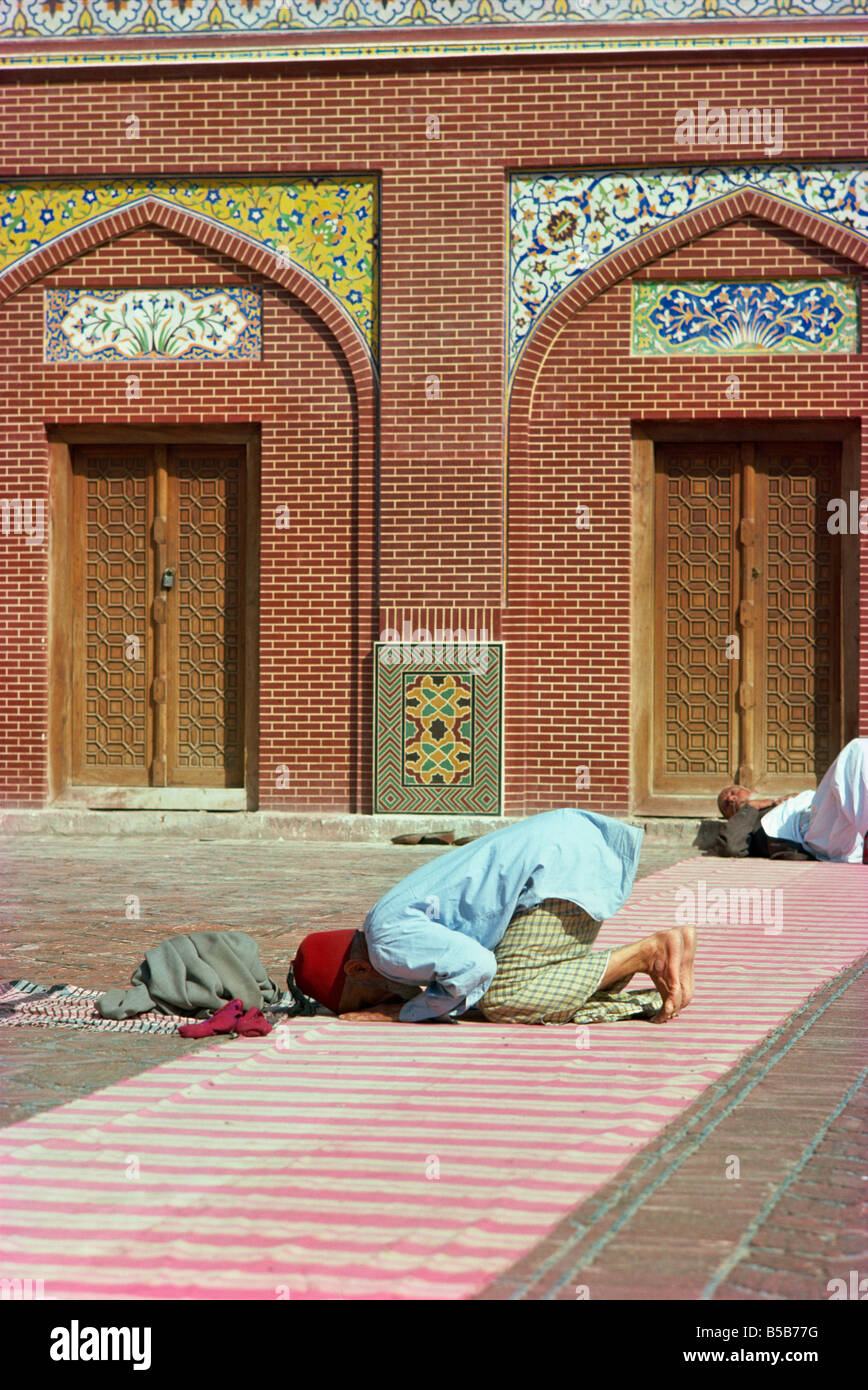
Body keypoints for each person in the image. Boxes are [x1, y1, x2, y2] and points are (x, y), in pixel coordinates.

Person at [289, 808, 696, 1026]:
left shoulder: (385, 947)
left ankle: (649, 954)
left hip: (559, 870)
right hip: (569, 852)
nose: (383, 997)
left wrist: (404, 1013)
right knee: (510, 984)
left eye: (366, 996)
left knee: (504, 997)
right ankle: (640, 961)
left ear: (358, 967)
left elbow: (477, 966)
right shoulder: (384, 920)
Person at [715, 737, 868, 864]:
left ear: (750, 791)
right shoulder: (752, 818)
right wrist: (750, 807)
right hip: (811, 835)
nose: (730, 798)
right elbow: (731, 847)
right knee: (857, 748)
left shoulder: (790, 800)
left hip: (839, 823)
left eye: (732, 792)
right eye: (725, 804)